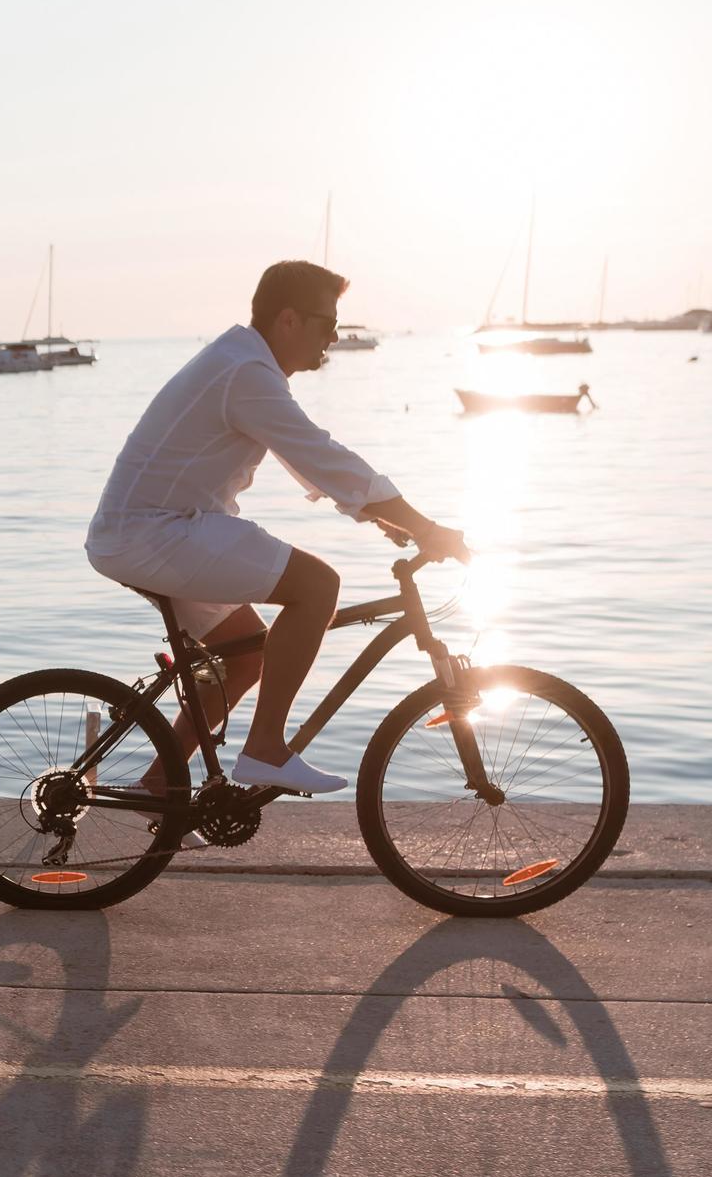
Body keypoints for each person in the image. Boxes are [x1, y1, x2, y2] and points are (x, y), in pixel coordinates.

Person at [86, 261, 467, 794]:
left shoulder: (242, 363)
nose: (335, 337)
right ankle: (265, 749)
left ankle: (157, 787)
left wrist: (380, 513)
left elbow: (306, 459)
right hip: (156, 533)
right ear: (289, 320)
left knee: (246, 656)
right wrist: (424, 526)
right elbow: (320, 454)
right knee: (317, 587)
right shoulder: (245, 372)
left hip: (149, 534)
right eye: (327, 323)